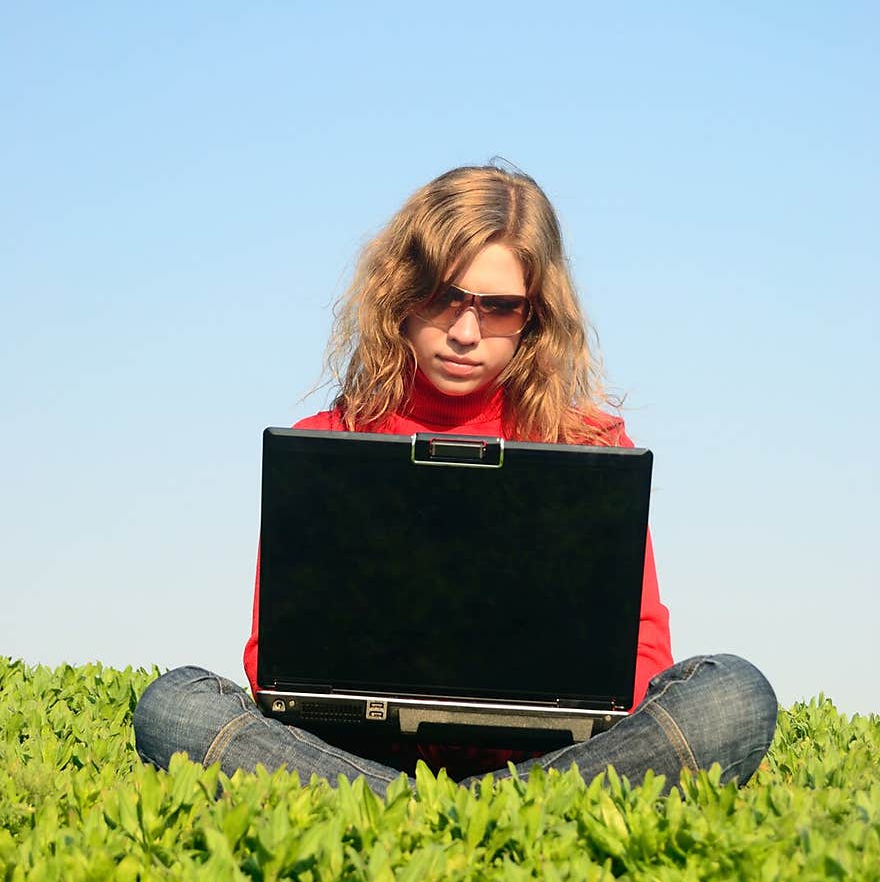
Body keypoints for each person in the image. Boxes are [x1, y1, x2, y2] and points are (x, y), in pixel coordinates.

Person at [134, 162, 778, 796]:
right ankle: (496, 811)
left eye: (499, 308)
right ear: (399, 291)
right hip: (360, 748)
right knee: (176, 706)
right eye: (444, 297)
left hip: (549, 752)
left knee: (734, 696)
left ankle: (405, 811)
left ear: (535, 315)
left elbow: (642, 649)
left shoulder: (589, 445)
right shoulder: (330, 441)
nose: (467, 333)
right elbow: (272, 660)